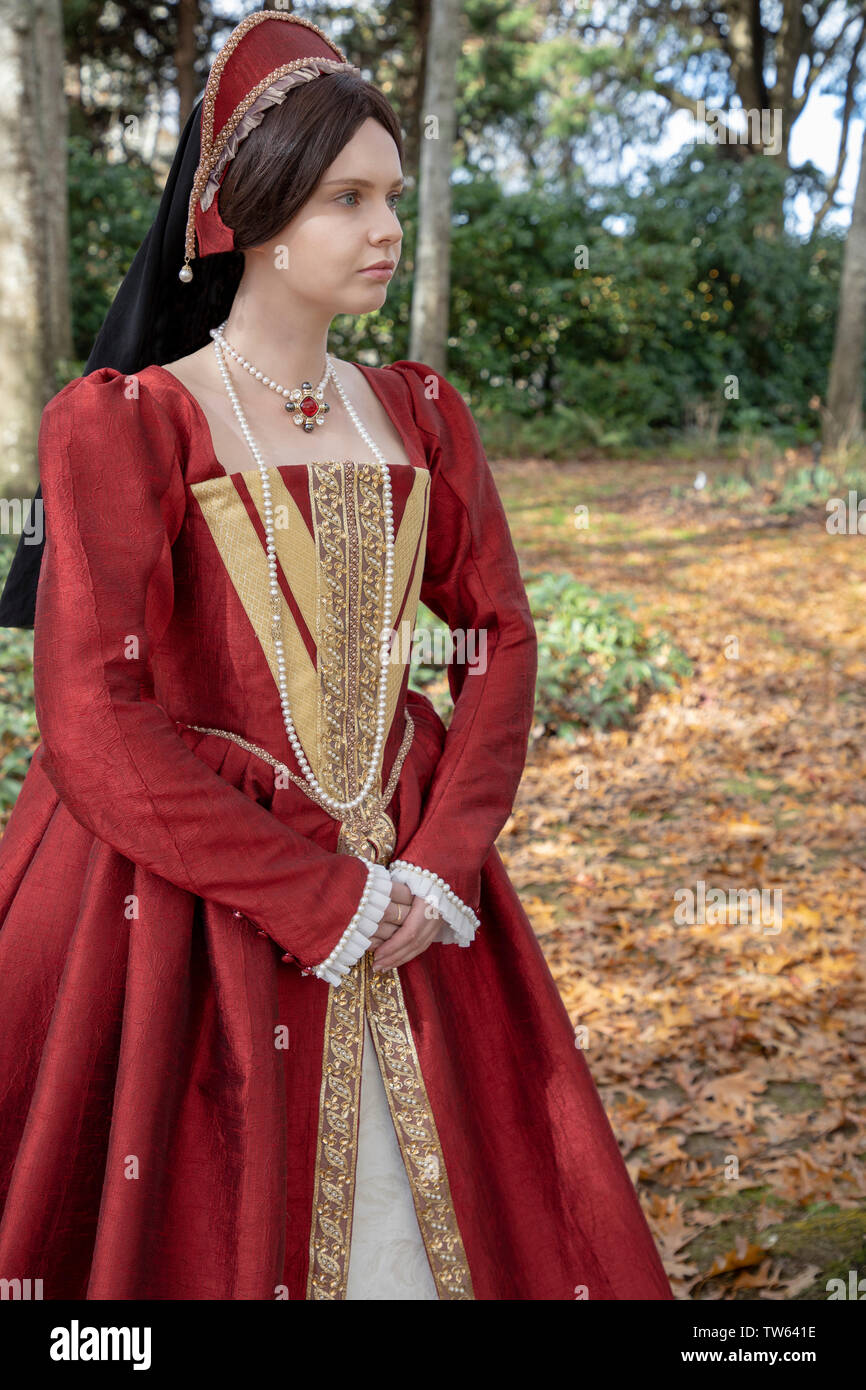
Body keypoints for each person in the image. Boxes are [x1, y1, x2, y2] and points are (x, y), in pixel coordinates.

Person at [0, 9, 673, 1301]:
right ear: (255, 212)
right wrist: (324, 898)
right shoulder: (131, 423)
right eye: (346, 197)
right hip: (190, 900)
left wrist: (434, 861)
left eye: (389, 196)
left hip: (418, 886)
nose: (383, 228)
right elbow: (91, 714)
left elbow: (499, 637)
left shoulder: (418, 412)